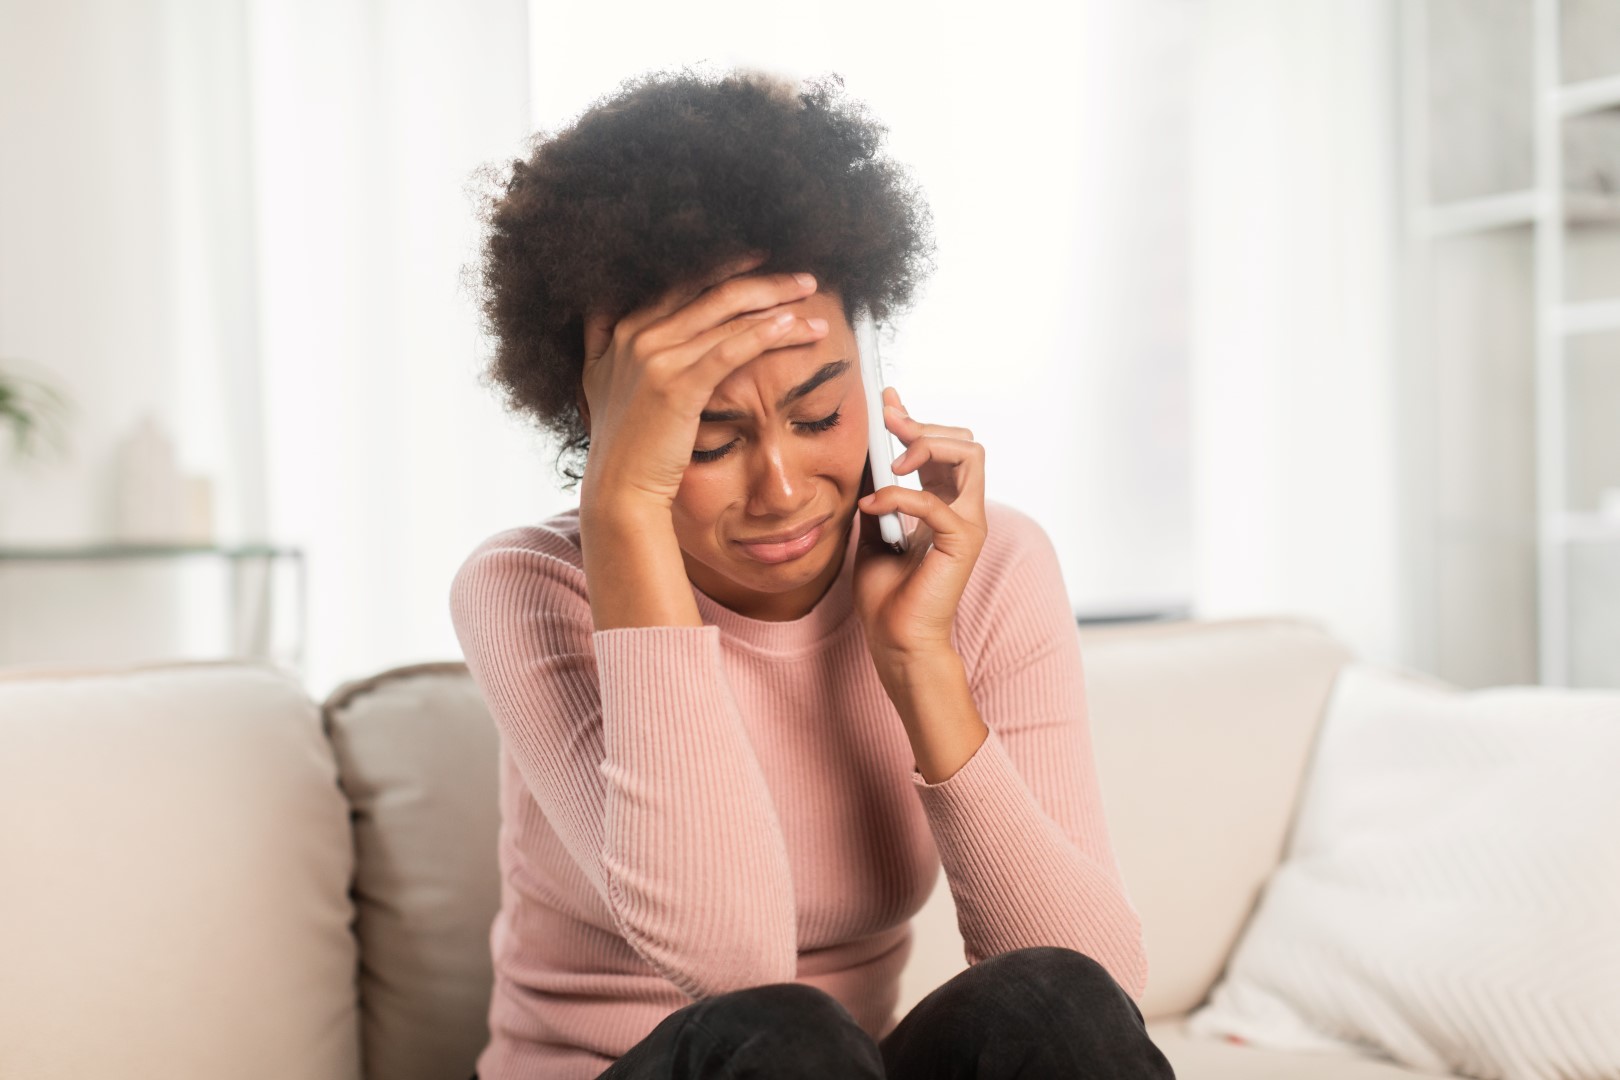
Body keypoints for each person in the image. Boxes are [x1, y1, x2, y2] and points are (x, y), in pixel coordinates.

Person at [451, 64, 1177, 1080]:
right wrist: (624, 519)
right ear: (609, 428)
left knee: (1050, 1004)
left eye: (820, 413)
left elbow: (1097, 984)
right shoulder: (528, 589)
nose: (784, 487)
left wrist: (922, 663)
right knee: (784, 1034)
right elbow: (735, 965)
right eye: (708, 440)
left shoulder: (986, 564)